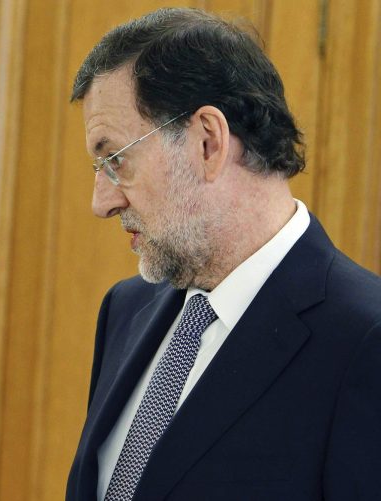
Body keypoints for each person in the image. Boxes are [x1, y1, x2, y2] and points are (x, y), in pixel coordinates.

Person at [66, 8, 381, 501]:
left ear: (208, 141)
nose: (101, 202)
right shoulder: (125, 310)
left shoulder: (366, 341)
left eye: (116, 160)